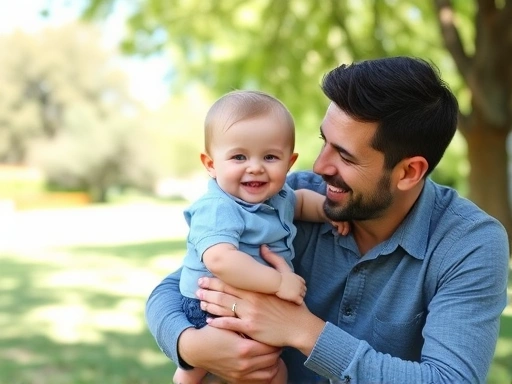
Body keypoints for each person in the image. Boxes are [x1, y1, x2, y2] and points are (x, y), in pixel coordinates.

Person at [146, 57, 510, 383]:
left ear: (409, 172)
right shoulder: (292, 196)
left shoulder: (468, 243)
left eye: (345, 157)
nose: (319, 166)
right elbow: (173, 288)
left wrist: (303, 330)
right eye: (324, 141)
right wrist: (189, 346)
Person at [173, 90, 348, 384]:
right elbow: (220, 260)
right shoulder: (218, 207)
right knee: (200, 367)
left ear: (289, 163)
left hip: (256, 310)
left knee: (273, 372)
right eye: (239, 156)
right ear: (211, 164)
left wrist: (329, 212)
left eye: (269, 156)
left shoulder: (278, 197)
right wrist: (279, 283)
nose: (255, 166)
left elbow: (302, 202)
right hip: (211, 308)